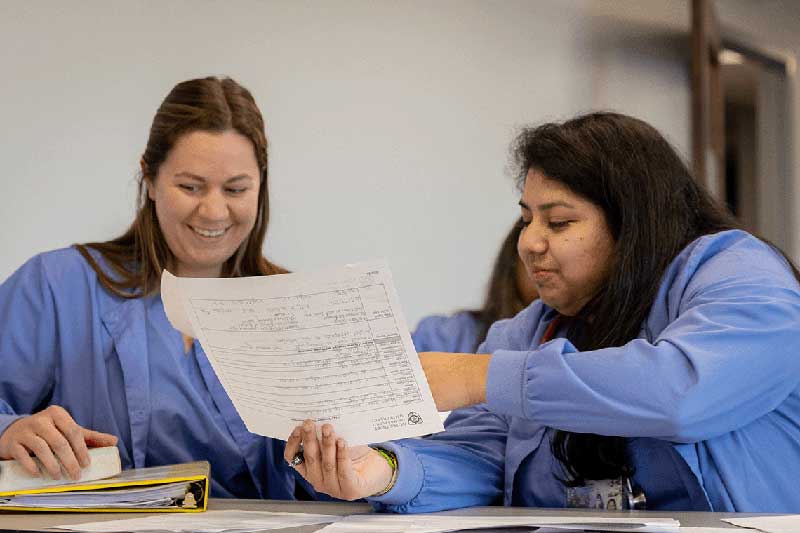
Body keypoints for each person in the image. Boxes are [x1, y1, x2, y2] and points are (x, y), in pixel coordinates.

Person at [283, 112, 800, 513]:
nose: (529, 244)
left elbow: (683, 393)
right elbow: (482, 459)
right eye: (527, 219)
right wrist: (382, 471)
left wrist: (482, 376)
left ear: (633, 225)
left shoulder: (739, 274)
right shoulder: (526, 331)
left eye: (558, 222)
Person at [0, 76, 302, 499]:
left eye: (236, 189)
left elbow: (358, 465)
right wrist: (8, 430)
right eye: (190, 186)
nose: (214, 211)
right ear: (150, 177)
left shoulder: (297, 309)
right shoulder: (56, 286)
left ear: (260, 185)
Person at [412, 218, 538, 354]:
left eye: (557, 222)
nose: (540, 248)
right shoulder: (446, 336)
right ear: (513, 258)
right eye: (557, 222)